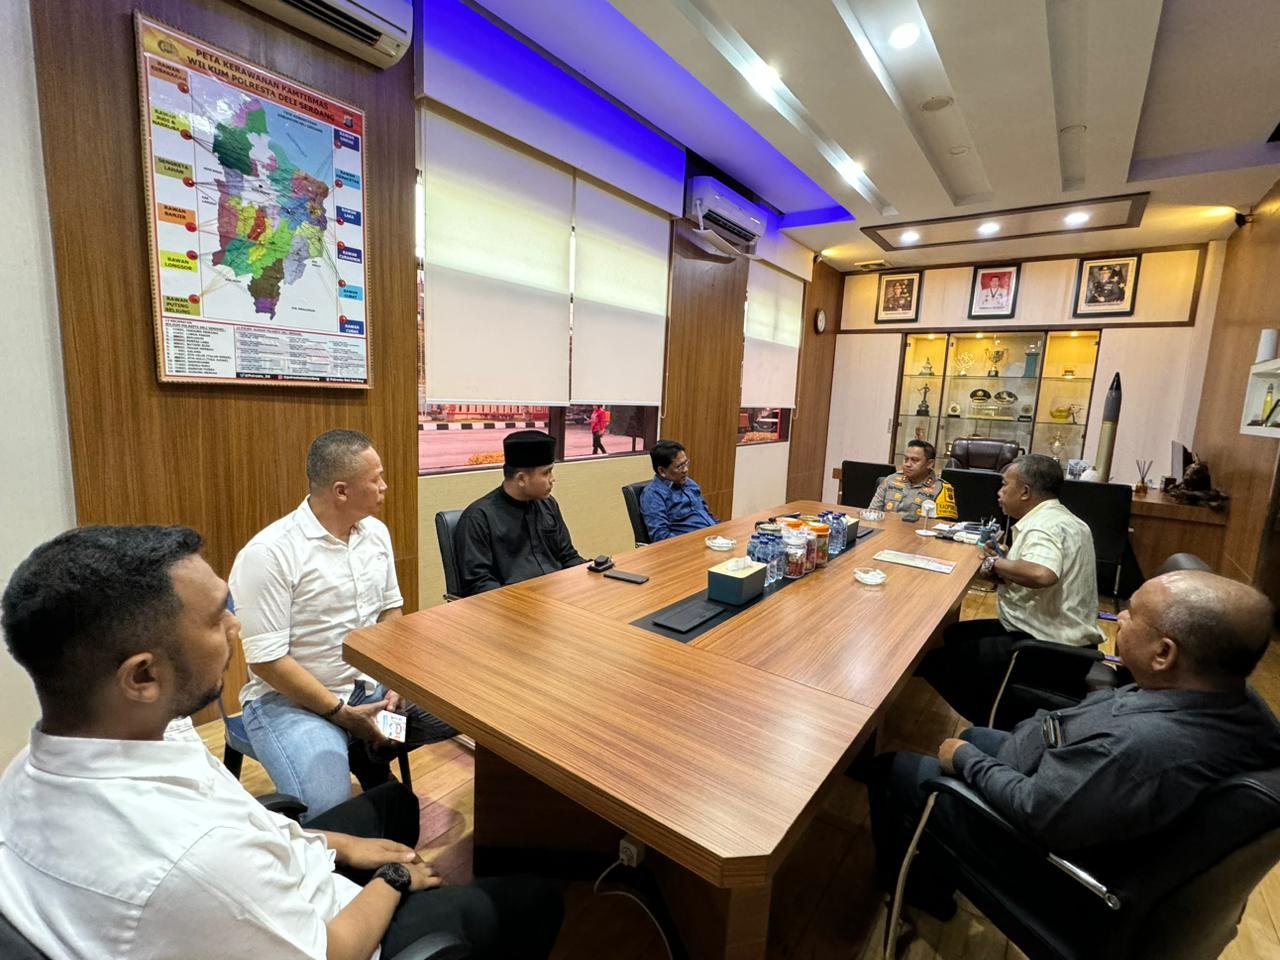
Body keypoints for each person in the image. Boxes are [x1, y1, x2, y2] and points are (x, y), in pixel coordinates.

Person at [0, 525, 563, 959]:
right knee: (536, 897)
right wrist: (392, 880)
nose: (234, 627)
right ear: (142, 676)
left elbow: (238, 824)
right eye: (218, 617)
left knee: (396, 804)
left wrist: (333, 844)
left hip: (274, 874)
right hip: (330, 932)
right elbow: (332, 948)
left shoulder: (46, 760)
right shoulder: (195, 861)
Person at [869, 570, 1280, 919]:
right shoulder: (1233, 699)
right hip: (1061, 773)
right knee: (974, 735)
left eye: (1133, 615)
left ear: (1163, 653)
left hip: (1033, 844)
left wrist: (968, 762)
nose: (1118, 617)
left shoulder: (1139, 749)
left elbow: (1036, 813)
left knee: (893, 769)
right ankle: (940, 862)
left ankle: (919, 890)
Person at [231, 430, 456, 821]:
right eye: (376, 478)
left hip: (369, 690)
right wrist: (341, 714)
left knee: (464, 712)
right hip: (293, 704)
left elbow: (390, 615)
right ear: (341, 490)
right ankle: (358, 743)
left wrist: (396, 683)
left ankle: (366, 747)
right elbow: (267, 663)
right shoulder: (269, 554)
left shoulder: (376, 533)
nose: (385, 486)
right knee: (329, 812)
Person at [918, 453, 1101, 722]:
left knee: (932, 663)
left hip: (1047, 646)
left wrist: (994, 563)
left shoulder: (1042, 526)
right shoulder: (1064, 519)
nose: (1000, 492)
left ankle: (995, 725)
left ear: (1025, 491)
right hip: (1064, 636)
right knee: (955, 634)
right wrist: (1007, 561)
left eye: (1005, 485)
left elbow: (1042, 574)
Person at [455, 430, 586, 596]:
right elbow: (480, 584)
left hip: (558, 597)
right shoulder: (479, 518)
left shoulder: (548, 505)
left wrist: (593, 573)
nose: (553, 479)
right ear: (521, 479)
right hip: (512, 607)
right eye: (546, 472)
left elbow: (568, 556)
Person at [639, 439, 718, 542]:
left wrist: (721, 531)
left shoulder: (690, 484)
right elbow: (661, 537)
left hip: (713, 539)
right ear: (662, 471)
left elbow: (707, 514)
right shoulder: (654, 494)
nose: (685, 470)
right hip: (690, 547)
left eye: (686, 463)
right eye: (680, 466)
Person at [869, 439, 958, 520]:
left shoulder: (942, 489)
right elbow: (872, 513)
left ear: (930, 463)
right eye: (906, 459)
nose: (907, 464)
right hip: (886, 533)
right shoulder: (891, 480)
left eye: (914, 460)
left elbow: (942, 527)